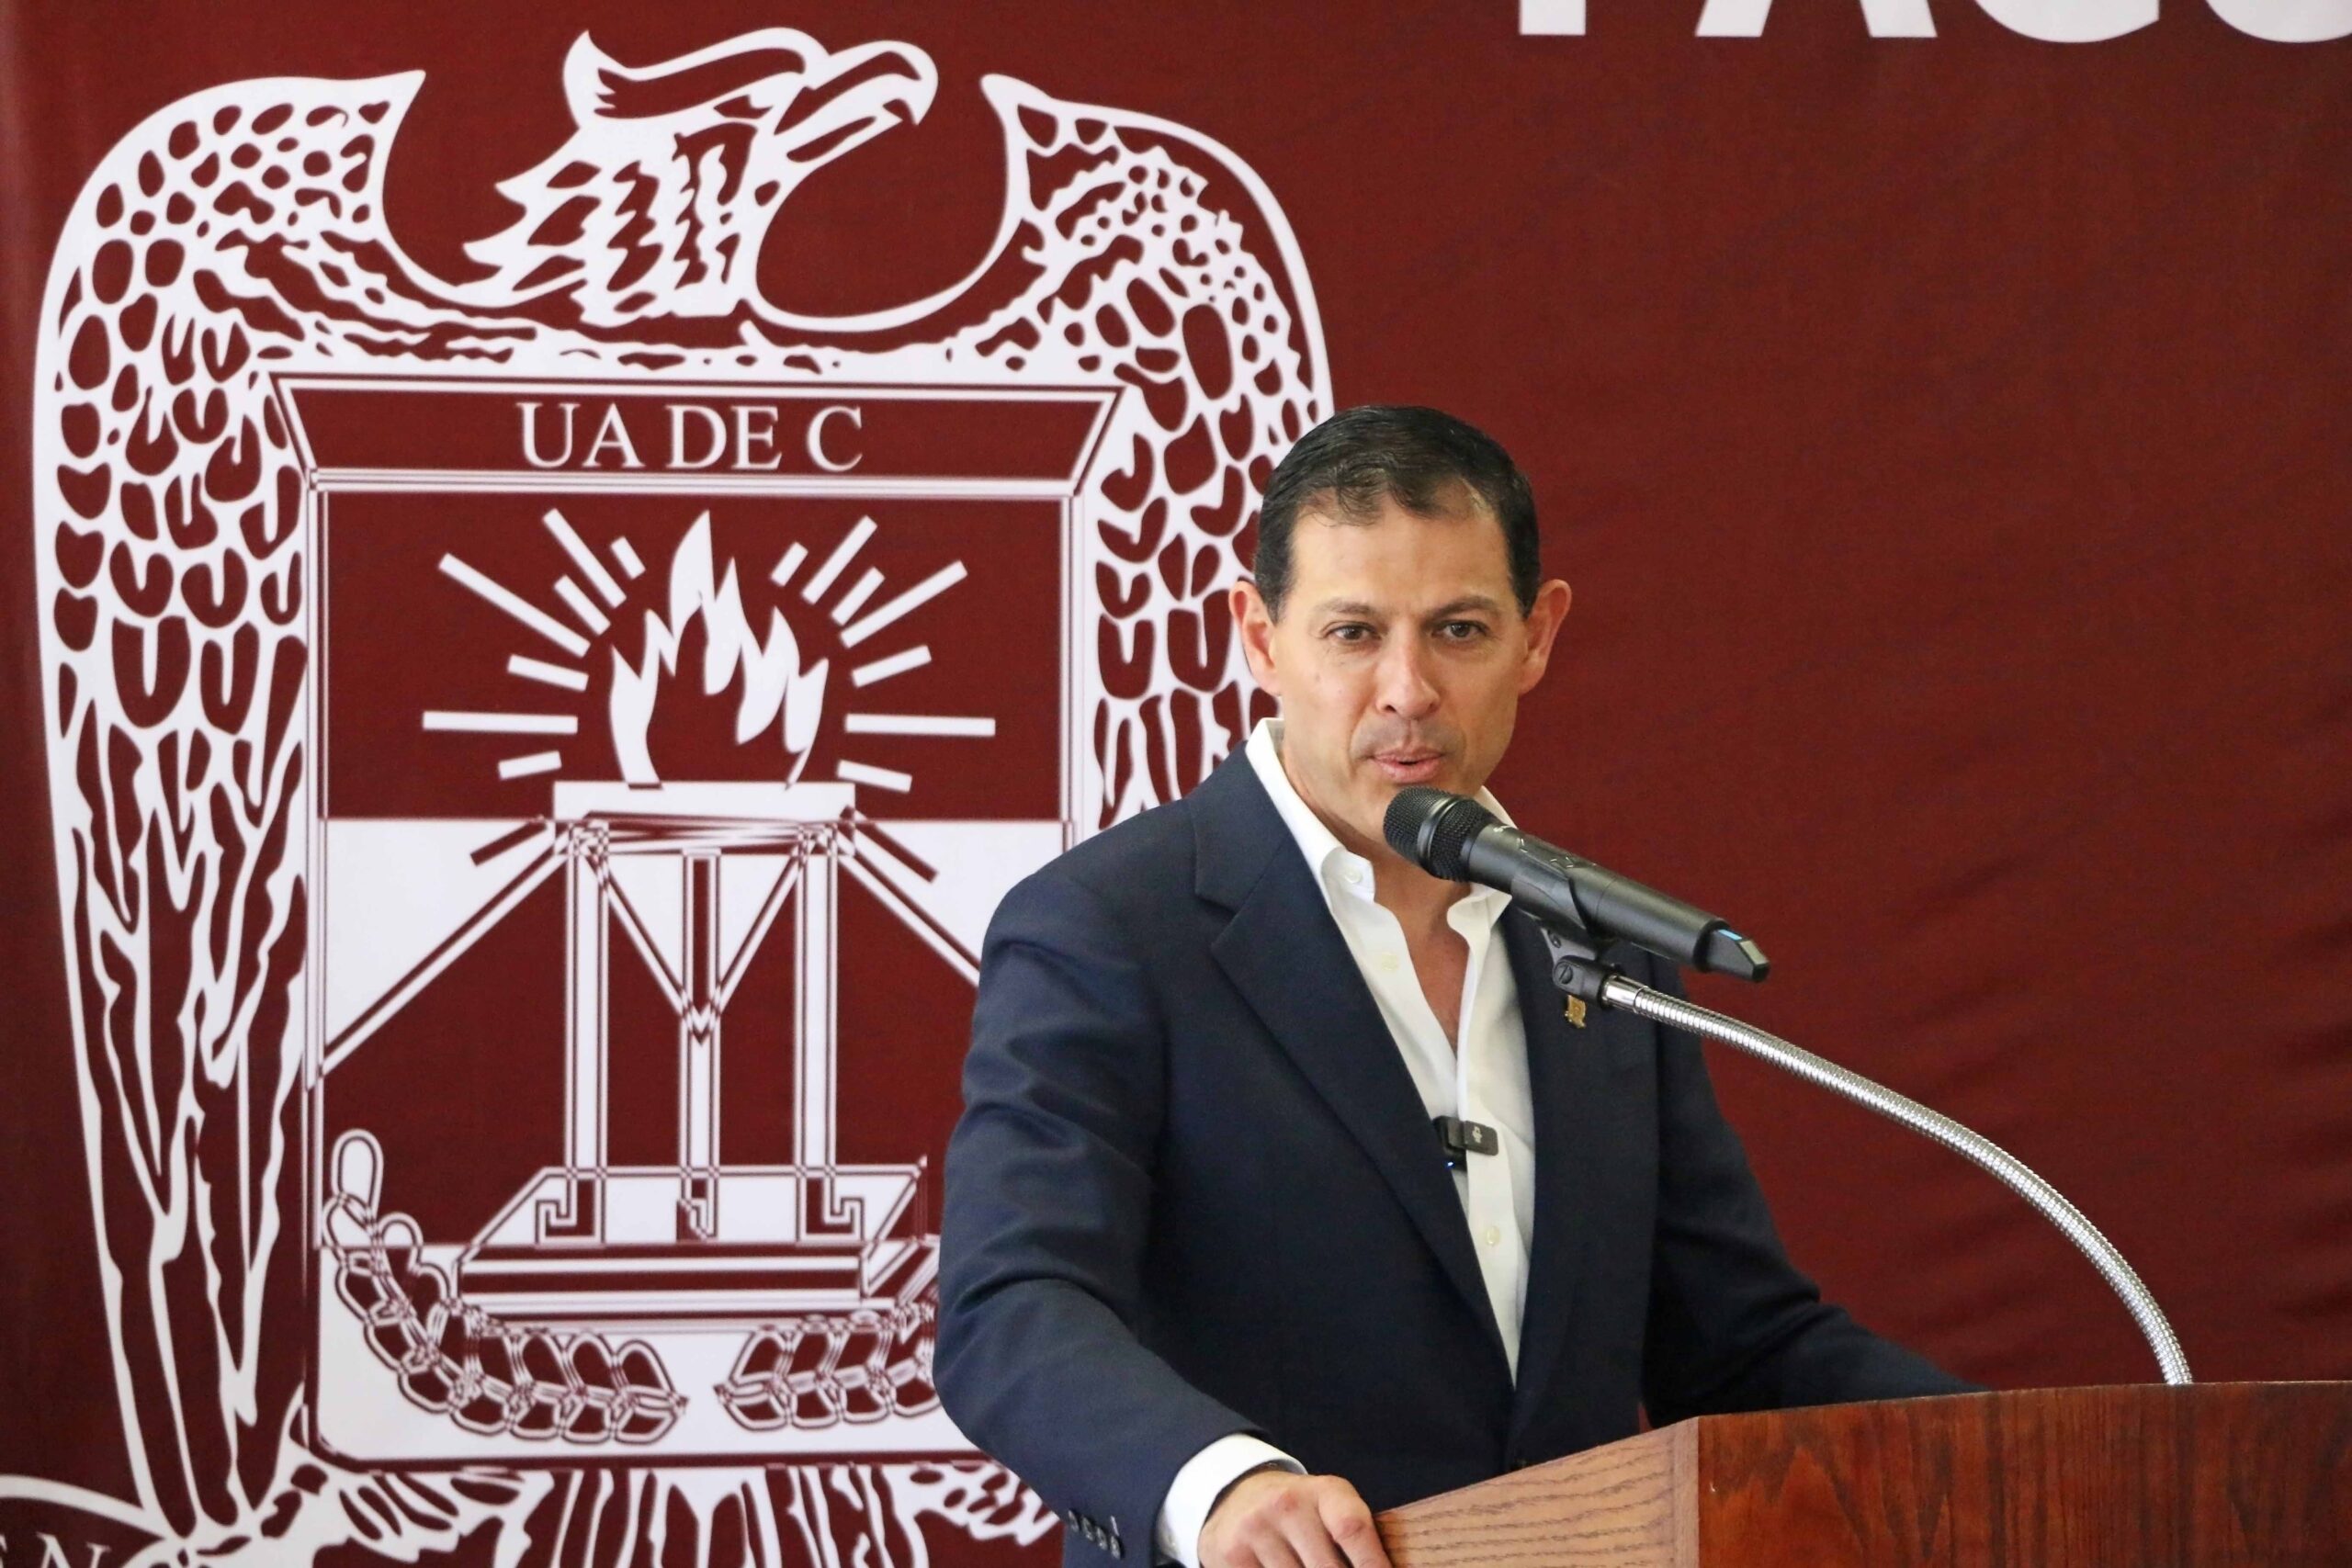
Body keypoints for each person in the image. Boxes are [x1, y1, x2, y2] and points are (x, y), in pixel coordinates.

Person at [936, 406, 1971, 1568]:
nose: (1407, 689)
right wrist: (1217, 1482)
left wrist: (2012, 1450)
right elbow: (1012, 1305)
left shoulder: (1597, 947)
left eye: (1458, 630)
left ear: (1537, 636)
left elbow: (1735, 1348)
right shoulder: (1109, 928)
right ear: (1259, 638)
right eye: (1352, 633)